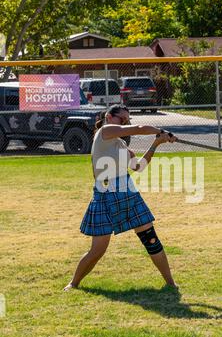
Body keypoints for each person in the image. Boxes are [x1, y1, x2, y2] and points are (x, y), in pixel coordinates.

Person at [64, 104, 178, 291]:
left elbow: (138, 167)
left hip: (128, 194)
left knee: (151, 239)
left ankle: (171, 284)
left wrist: (157, 142)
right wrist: (161, 131)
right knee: (98, 250)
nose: (125, 123)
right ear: (109, 117)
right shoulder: (104, 132)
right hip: (105, 196)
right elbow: (139, 129)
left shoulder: (122, 145)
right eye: (122, 119)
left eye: (127, 120)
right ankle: (73, 283)